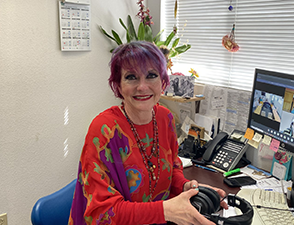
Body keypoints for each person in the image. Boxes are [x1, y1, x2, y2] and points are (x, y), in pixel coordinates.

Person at [68, 41, 228, 225]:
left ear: (163, 82)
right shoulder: (104, 131)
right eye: (131, 77)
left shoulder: (165, 118)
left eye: (151, 75)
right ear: (118, 86)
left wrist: (186, 187)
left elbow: (172, 170)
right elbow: (102, 213)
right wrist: (164, 211)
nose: (142, 87)